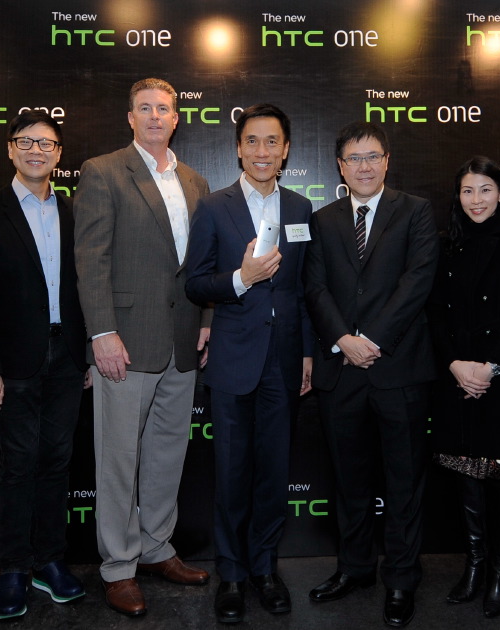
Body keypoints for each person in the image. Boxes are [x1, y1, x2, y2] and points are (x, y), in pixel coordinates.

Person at [73, 77, 211, 617]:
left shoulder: (195, 180)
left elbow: (201, 264)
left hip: (182, 341)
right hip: (124, 342)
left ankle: (155, 547)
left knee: (166, 454)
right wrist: (101, 333)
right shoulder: (103, 171)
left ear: (176, 118)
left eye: (164, 108)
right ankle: (118, 566)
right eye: (145, 108)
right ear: (130, 118)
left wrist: (206, 321)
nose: (155, 116)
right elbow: (92, 260)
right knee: (118, 459)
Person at [303, 121, 438, 628]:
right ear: (340, 167)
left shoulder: (416, 210)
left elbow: (417, 282)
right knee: (349, 481)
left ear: (387, 161)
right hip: (342, 370)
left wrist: (372, 340)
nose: (364, 166)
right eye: (354, 158)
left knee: (404, 482)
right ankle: (355, 568)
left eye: (372, 157)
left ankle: (401, 578)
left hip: (398, 369)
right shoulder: (323, 219)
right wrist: (345, 340)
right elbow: (314, 288)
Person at [0, 111, 89, 621]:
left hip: (68, 356)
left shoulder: (76, 211)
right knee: (18, 464)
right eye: (26, 142)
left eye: (47, 143)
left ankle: (49, 561)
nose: (37, 150)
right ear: (10, 149)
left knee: (57, 461)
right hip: (11, 362)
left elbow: (89, 285)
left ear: (59, 155)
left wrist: (88, 352)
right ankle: (12, 567)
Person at [184, 103, 313, 624]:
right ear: (239, 148)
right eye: (253, 141)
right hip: (233, 361)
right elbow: (195, 283)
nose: (263, 151)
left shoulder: (301, 207)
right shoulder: (214, 207)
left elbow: (303, 290)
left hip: (284, 361)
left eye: (272, 142)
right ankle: (232, 574)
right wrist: (241, 279)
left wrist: (307, 351)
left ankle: (265, 569)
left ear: (286, 150)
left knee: (273, 474)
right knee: (232, 474)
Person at [427, 156, 500, 618]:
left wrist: (490, 366)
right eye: (467, 191)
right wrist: (456, 364)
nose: (475, 200)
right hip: (458, 376)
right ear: (457, 197)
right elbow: (434, 310)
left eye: (484, 190)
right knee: (468, 473)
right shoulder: (446, 245)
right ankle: (475, 566)